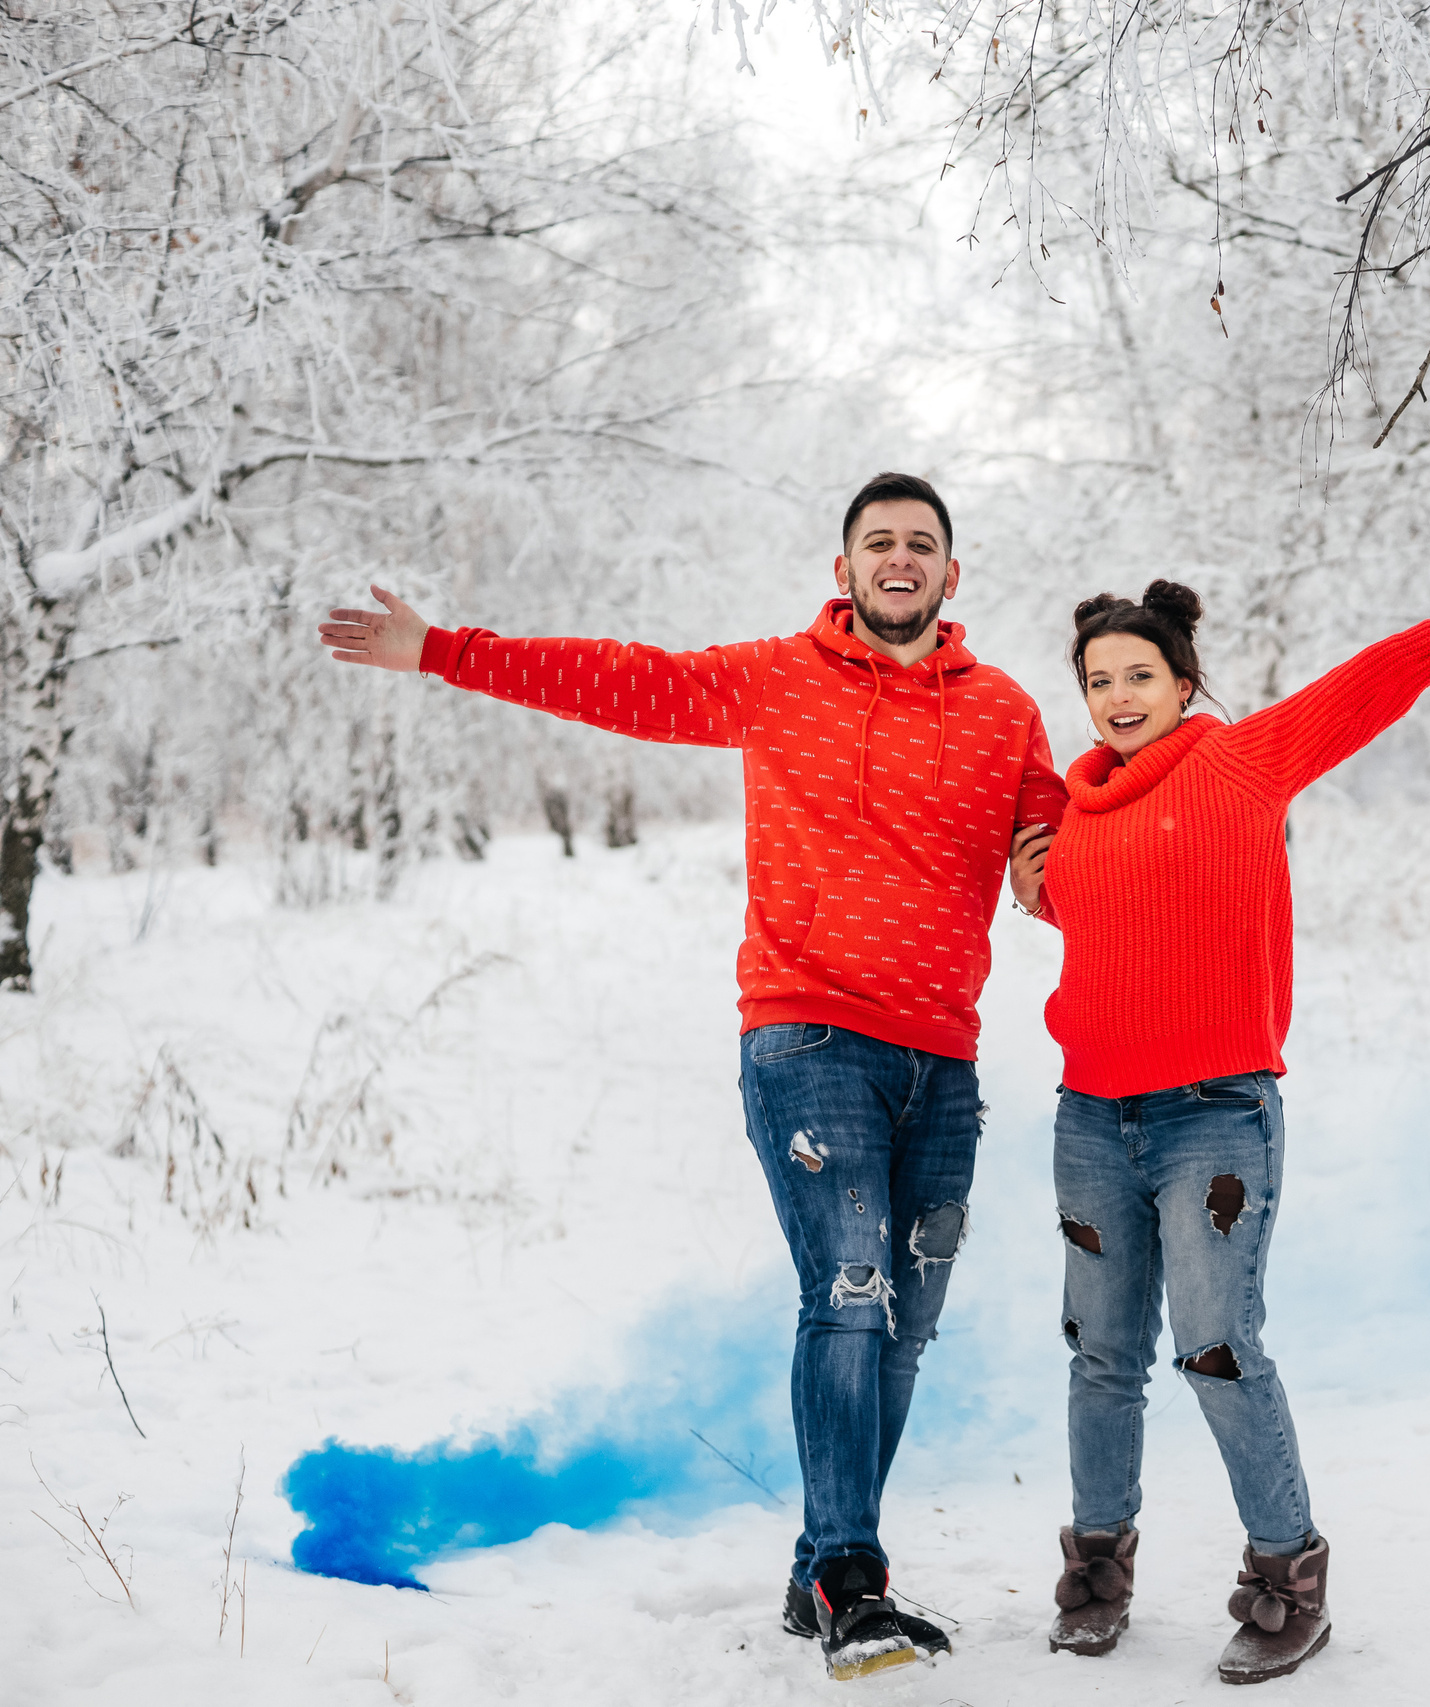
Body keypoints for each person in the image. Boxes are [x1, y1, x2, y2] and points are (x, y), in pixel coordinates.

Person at [318, 473, 1067, 1682]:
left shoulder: (1005, 713)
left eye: (920, 544)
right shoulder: (777, 678)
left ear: (950, 574)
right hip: (807, 1035)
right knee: (851, 1290)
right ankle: (849, 1581)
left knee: (906, 1329)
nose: (898, 558)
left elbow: (1065, 853)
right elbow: (628, 680)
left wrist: (1175, 842)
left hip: (945, 1055)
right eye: (877, 542)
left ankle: (824, 1552)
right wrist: (444, 652)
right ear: (843, 569)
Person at [1004, 522, 1430, 1684]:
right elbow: (1083, 911)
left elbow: (1374, 684)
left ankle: (1287, 1580)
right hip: (1089, 1119)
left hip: (1215, 1117)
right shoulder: (1069, 821)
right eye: (1098, 681)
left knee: (1217, 1347)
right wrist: (1032, 886)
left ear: (1184, 681)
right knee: (1100, 1353)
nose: (1118, 697)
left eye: (1140, 675)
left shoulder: (1242, 762)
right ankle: (1096, 1571)